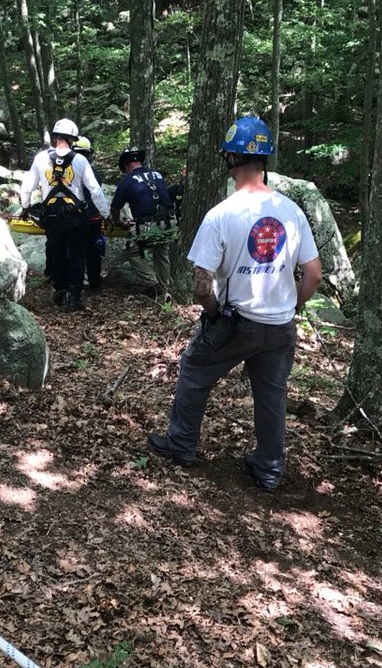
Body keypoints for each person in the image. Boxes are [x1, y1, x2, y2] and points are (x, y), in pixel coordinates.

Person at [148, 117, 321, 492]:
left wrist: (212, 313)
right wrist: (293, 308)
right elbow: (313, 274)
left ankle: (181, 445)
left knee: (195, 372)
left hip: (236, 321)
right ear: (265, 161)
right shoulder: (291, 212)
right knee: (272, 395)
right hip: (279, 325)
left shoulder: (221, 215)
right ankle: (269, 468)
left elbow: (200, 283)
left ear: (230, 158)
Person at [18, 118, 109, 312]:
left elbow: (27, 187)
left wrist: (25, 207)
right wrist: (106, 214)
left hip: (51, 216)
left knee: (56, 252)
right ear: (73, 139)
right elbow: (94, 190)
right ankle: (73, 297)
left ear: (55, 136)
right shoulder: (80, 160)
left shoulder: (41, 158)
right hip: (76, 216)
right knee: (78, 256)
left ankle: (59, 291)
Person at [111, 148, 177, 301]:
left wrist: (117, 222)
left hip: (148, 224)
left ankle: (154, 285)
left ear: (126, 165)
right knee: (161, 253)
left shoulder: (127, 181)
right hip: (169, 220)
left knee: (131, 249)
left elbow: (115, 207)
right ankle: (164, 289)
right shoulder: (157, 175)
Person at [73, 135, 106, 291]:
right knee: (94, 251)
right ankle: (95, 282)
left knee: (75, 250)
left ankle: (77, 282)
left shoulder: (68, 171)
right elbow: (97, 194)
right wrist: (106, 215)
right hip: (93, 217)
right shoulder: (94, 172)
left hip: (74, 217)